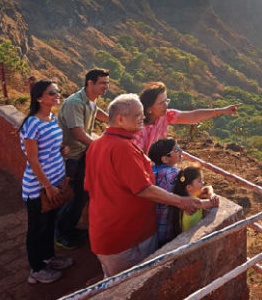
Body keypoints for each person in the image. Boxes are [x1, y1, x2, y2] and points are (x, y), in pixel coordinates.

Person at [85, 94, 202, 277]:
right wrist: (181, 201)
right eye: (137, 115)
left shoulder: (97, 144)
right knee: (131, 286)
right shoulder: (123, 148)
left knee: (114, 285)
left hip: (107, 232)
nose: (143, 118)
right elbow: (144, 189)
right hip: (127, 238)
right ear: (120, 119)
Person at [19, 80, 75, 284]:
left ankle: (48, 257)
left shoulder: (52, 118)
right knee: (37, 227)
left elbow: (46, 150)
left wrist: (60, 151)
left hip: (55, 180)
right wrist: (48, 186)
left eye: (57, 91)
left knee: (50, 223)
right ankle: (37, 269)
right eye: (52, 92)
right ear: (39, 98)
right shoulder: (31, 123)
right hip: (38, 187)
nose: (56, 95)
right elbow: (32, 159)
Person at [55, 68, 110, 249]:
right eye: (102, 83)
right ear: (90, 83)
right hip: (72, 156)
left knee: (81, 195)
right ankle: (61, 235)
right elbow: (78, 133)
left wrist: (114, 120)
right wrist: (102, 148)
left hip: (82, 154)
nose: (106, 87)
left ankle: (68, 229)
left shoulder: (90, 100)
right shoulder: (74, 103)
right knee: (73, 197)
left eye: (107, 83)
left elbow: (96, 111)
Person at [133, 82, 239, 152]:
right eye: (161, 103)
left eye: (166, 101)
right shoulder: (136, 129)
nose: (166, 105)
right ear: (148, 109)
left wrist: (222, 110)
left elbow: (192, 116)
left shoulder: (165, 117)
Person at [147, 138, 182, 246]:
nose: (181, 151)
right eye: (176, 150)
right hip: (166, 227)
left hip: (150, 228)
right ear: (165, 159)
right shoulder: (174, 175)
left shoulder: (151, 170)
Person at [169, 166, 219, 238]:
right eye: (199, 181)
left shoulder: (185, 197)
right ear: (189, 187)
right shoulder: (193, 203)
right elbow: (215, 202)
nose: (203, 183)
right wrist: (212, 197)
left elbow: (209, 187)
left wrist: (211, 194)